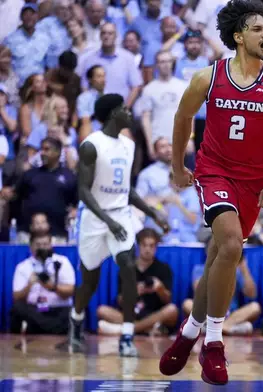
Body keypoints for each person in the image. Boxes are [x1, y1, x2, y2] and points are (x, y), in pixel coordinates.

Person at [159, 0, 263, 385]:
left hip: (253, 183)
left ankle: (188, 332)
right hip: (213, 173)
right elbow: (182, 117)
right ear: (239, 36)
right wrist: (178, 166)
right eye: (258, 29)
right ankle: (213, 343)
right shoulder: (207, 77)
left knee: (217, 258)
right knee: (229, 246)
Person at [68, 94, 169, 357]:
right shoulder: (91, 145)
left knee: (127, 266)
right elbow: (83, 192)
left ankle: (127, 335)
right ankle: (76, 318)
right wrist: (108, 222)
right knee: (90, 282)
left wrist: (153, 213)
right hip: (94, 218)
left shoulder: (129, 144)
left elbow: (127, 190)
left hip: (121, 214)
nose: (129, 111)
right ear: (113, 114)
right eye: (124, 108)